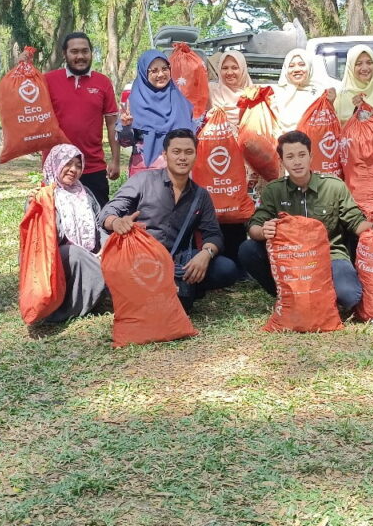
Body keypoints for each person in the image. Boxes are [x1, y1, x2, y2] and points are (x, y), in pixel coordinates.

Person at [237, 130, 373, 313]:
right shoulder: (274, 190)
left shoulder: (333, 186)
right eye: (290, 157)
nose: (297, 161)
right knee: (248, 249)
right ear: (282, 161)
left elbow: (355, 222)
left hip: (329, 255)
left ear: (311, 156)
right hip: (290, 258)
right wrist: (263, 231)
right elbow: (254, 225)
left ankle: (318, 297)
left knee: (350, 296)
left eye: (302, 155)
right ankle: (288, 296)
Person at [99, 128, 245, 309]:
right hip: (140, 258)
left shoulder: (200, 195)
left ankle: (180, 288)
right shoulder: (143, 181)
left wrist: (205, 255)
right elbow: (107, 212)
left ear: (195, 156)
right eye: (176, 152)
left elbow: (213, 234)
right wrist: (117, 222)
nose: (182, 157)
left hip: (177, 260)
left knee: (226, 269)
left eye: (188, 152)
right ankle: (164, 292)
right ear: (165, 155)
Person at [41, 32, 120, 206]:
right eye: (74, 51)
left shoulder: (103, 82)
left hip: (93, 167)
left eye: (85, 51)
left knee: (98, 221)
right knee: (56, 224)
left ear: (91, 53)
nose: (80, 56)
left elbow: (113, 123)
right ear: (65, 54)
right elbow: (26, 105)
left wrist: (115, 159)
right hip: (57, 167)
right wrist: (22, 65)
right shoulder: (47, 80)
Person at [38, 144, 107, 323]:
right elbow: (44, 237)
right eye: (68, 163)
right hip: (55, 256)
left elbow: (99, 225)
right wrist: (40, 208)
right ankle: (104, 290)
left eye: (78, 165)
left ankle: (98, 293)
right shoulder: (43, 195)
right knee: (75, 253)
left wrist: (107, 245)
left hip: (90, 253)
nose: (74, 170)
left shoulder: (86, 193)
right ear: (56, 164)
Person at [117, 50, 194, 176]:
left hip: (179, 172)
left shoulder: (180, 100)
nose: (161, 74)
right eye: (154, 71)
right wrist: (126, 127)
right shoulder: (134, 103)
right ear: (143, 73)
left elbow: (192, 135)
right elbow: (125, 143)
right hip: (146, 174)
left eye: (165, 69)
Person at [273, 48, 336, 133]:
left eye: (302, 65)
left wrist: (331, 103)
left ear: (309, 67)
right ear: (286, 69)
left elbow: (328, 125)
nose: (296, 70)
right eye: (291, 66)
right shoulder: (277, 94)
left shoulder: (320, 93)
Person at [335, 45, 373, 125]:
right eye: (359, 64)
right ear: (351, 67)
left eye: (369, 63)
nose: (365, 68)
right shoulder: (341, 96)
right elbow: (336, 129)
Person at [208, 49, 254, 127]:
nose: (229, 73)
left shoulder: (255, 95)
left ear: (243, 70)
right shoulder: (211, 90)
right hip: (215, 137)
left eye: (235, 68)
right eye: (225, 68)